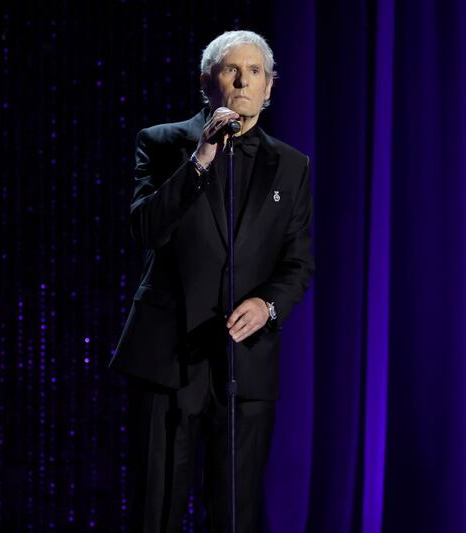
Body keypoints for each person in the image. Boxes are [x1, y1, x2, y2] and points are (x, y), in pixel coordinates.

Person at [109, 29, 314, 532]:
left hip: (245, 360)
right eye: (231, 70)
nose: (243, 81)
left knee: (236, 512)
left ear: (269, 89)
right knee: (156, 507)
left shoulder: (292, 166)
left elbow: (298, 263)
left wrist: (267, 305)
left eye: (256, 72)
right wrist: (200, 159)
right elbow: (144, 230)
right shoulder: (162, 143)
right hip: (166, 358)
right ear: (208, 83)